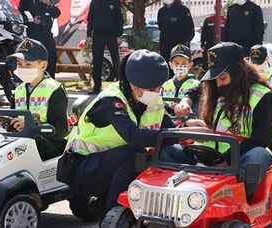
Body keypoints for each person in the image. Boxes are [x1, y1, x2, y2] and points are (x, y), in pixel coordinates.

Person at [66, 49, 208, 215]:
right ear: (133, 84)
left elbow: (167, 131)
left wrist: (188, 126)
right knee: (135, 153)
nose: (156, 93)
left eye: (159, 88)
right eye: (152, 89)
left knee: (173, 153)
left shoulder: (150, 99)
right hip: (83, 166)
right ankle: (116, 212)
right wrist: (183, 132)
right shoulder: (111, 100)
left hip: (113, 164)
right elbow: (133, 136)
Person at [174, 42, 272, 199]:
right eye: (214, 79)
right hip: (208, 154)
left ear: (237, 71)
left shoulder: (262, 96)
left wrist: (226, 159)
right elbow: (198, 88)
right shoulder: (215, 88)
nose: (218, 84)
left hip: (242, 156)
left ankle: (239, 201)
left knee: (257, 156)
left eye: (222, 78)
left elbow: (261, 140)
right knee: (169, 151)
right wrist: (187, 101)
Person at [10, 38, 68, 160]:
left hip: (51, 146)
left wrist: (32, 127)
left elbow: (61, 130)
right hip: (23, 143)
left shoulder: (55, 89)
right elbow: (12, 119)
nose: (22, 68)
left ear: (43, 65)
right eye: (20, 64)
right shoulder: (18, 91)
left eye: (28, 64)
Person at [86, 0, 123, 94]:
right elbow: (90, 18)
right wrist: (89, 35)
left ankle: (120, 85)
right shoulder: (94, 2)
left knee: (116, 61)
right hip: (98, 35)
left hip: (112, 35)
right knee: (97, 61)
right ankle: (97, 87)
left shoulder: (115, 2)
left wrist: (119, 35)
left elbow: (119, 18)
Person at [19, 0, 61, 79]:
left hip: (47, 34)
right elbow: (20, 14)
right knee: (32, 59)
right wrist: (31, 20)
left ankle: (49, 80)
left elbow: (57, 13)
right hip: (33, 35)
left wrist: (49, 4)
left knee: (51, 57)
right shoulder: (27, 1)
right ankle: (31, 80)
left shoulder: (46, 2)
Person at [161, 44, 200, 115]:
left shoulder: (196, 85)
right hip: (168, 124)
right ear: (170, 65)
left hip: (189, 124)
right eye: (176, 63)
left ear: (190, 65)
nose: (180, 66)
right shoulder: (164, 86)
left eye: (184, 63)